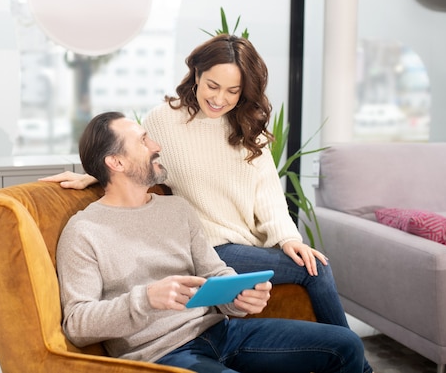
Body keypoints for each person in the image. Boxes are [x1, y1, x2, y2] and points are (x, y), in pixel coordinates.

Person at [44, 34, 373, 372]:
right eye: (213, 86)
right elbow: (78, 323)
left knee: (345, 341)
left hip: (220, 328)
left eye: (233, 91)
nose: (220, 99)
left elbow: (266, 194)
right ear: (197, 75)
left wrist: (241, 297)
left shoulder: (179, 206)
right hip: (166, 348)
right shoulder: (85, 230)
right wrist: (95, 175)